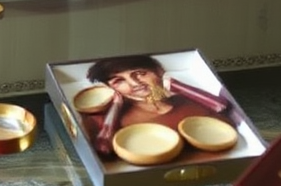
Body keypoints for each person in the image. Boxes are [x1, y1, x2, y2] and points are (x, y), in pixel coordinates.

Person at [82, 54, 228, 135]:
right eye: (119, 81)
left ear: (159, 71)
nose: (134, 83)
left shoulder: (194, 101)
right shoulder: (103, 120)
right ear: (109, 87)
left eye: (140, 73)